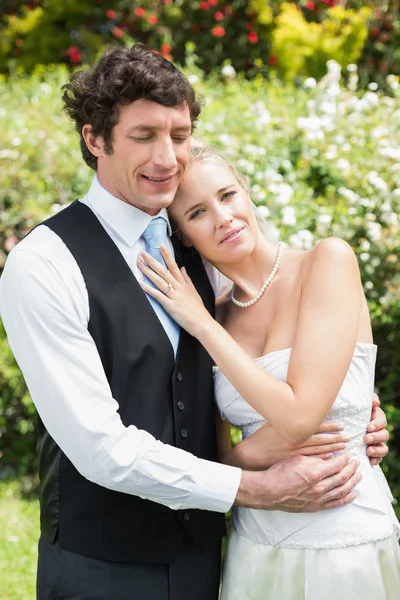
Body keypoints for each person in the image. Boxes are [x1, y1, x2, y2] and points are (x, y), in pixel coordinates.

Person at [0, 45, 389, 600]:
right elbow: (100, 447)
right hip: (104, 570)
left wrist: (354, 419)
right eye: (143, 136)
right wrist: (252, 488)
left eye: (179, 136)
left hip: (211, 563)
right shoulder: (45, 263)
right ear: (94, 139)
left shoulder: (198, 250)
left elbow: (277, 353)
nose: (167, 157)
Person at [139, 145, 400, 600]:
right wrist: (252, 454)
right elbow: (215, 462)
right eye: (198, 212)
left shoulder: (327, 262)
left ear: (247, 194)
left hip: (343, 537)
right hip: (255, 546)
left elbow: (299, 418)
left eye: (228, 195)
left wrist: (199, 323)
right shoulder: (216, 319)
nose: (224, 217)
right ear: (182, 235)